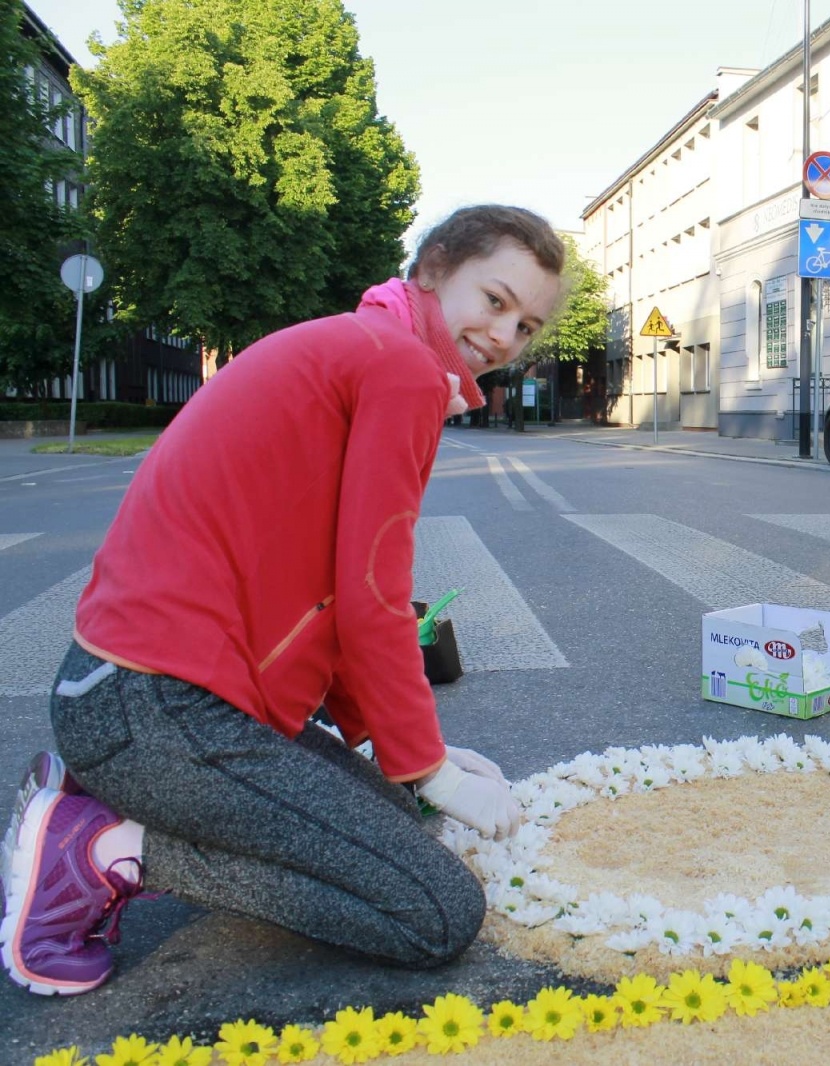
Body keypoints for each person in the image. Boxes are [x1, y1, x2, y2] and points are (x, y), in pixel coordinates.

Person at [1, 205, 565, 996]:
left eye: (528, 326)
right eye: (495, 301)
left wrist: (402, 755)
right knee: (435, 911)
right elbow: (375, 591)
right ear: (432, 271)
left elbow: (334, 591)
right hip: (164, 711)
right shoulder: (400, 369)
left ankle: (97, 796)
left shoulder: (366, 346)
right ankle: (103, 847)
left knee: (405, 829)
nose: (506, 336)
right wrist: (428, 765)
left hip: (127, 701)